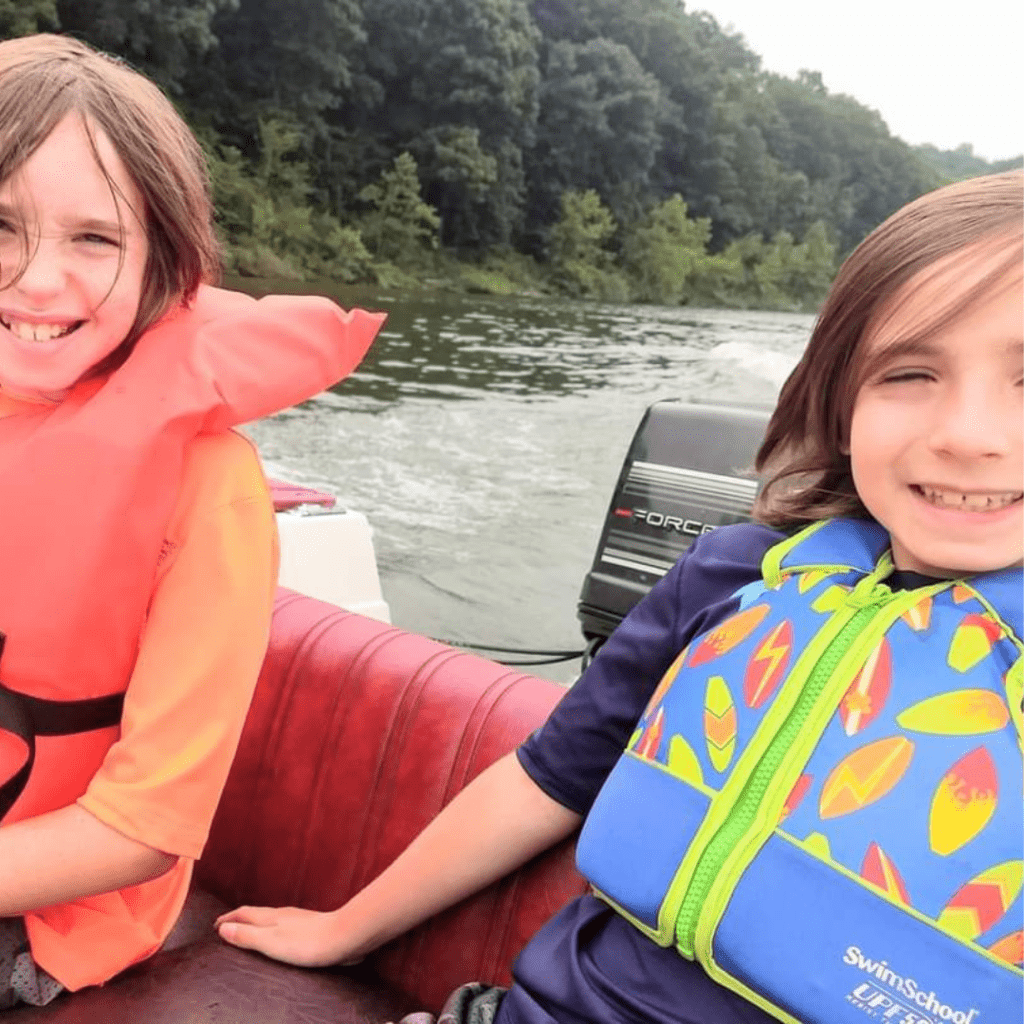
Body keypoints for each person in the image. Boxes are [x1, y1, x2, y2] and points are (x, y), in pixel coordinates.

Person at [217, 176, 1023, 1022]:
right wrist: (345, 929)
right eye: (909, 372)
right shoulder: (736, 574)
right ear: (841, 399)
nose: (967, 434)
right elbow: (545, 779)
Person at [0, 34, 385, 1008]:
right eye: (0, 224)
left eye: (95, 238)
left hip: (42, 906)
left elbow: (140, 829)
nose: (37, 281)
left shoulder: (206, 489)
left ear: (163, 264)